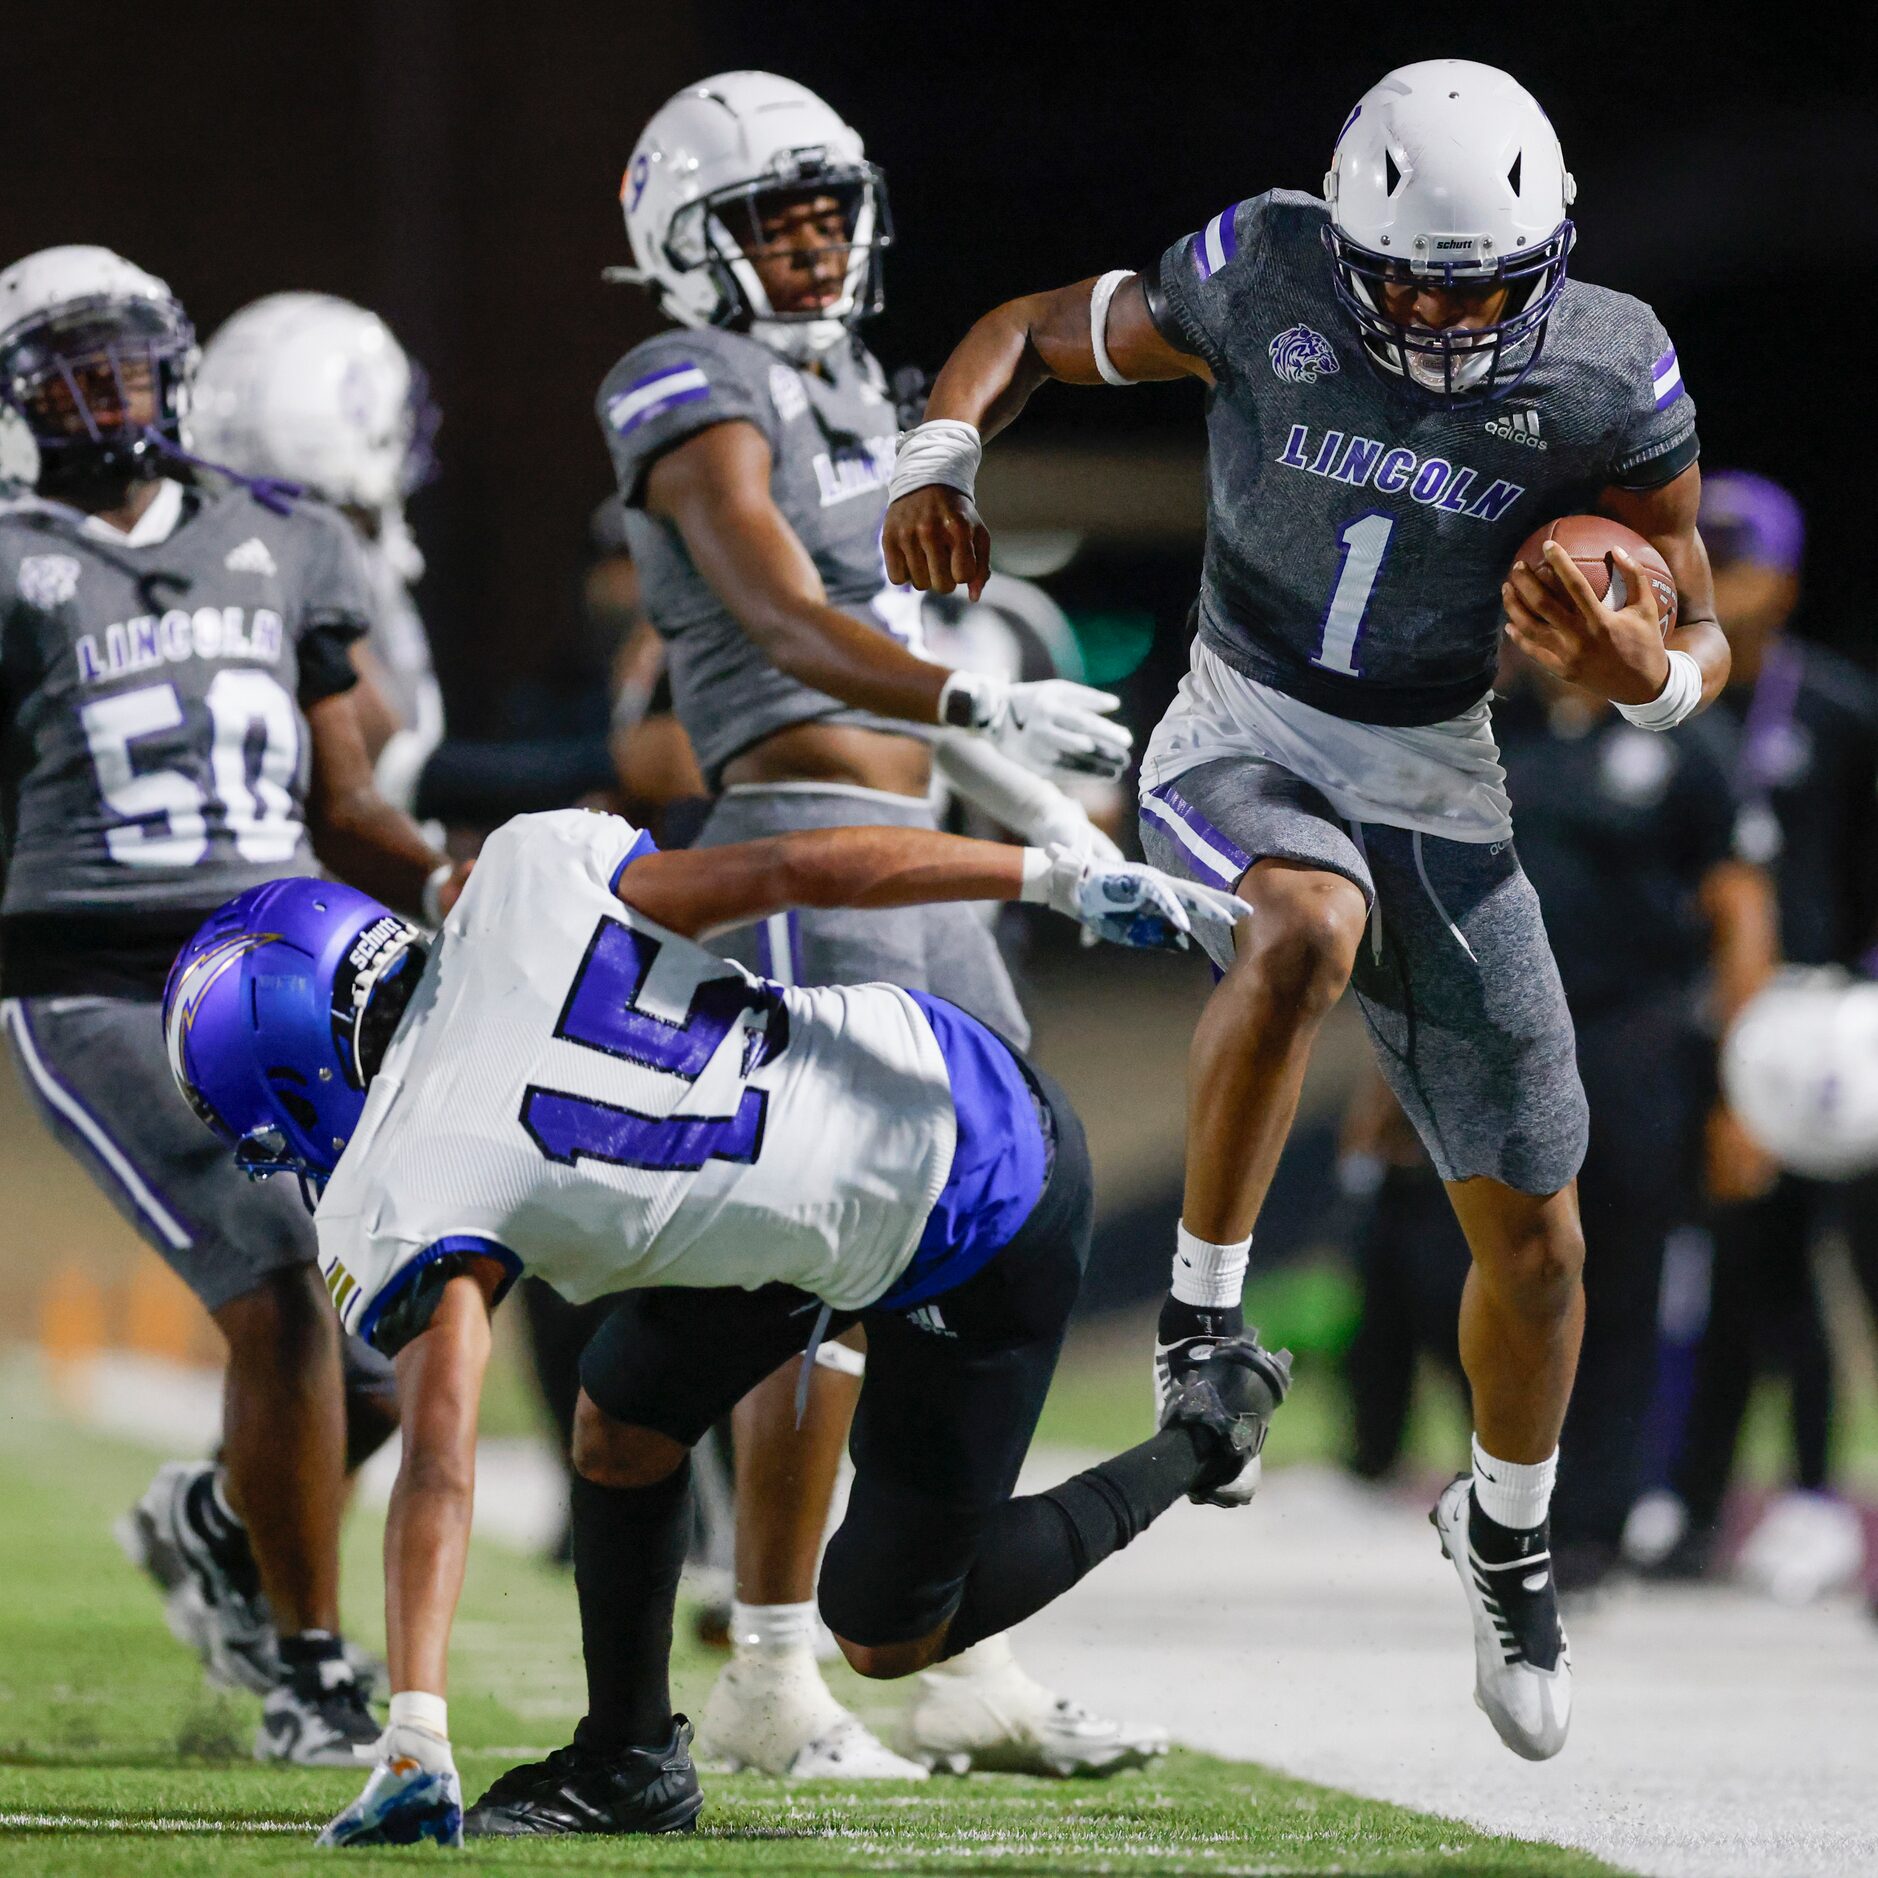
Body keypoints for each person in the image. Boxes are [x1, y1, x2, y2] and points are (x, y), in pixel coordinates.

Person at [883, 59, 1730, 1761]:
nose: (1434, 313)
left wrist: (1650, 679)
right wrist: (941, 451)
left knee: (1541, 1249)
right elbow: (1034, 326)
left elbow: (1691, 610)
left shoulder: (1603, 362)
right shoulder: (1260, 266)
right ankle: (1203, 1323)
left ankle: (1502, 1531)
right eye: (1405, 276)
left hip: (1437, 766)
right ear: (1343, 247)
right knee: (1301, 925)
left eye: (1475, 285)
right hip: (1241, 722)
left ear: (1544, 260)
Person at [162, 807, 1263, 1846]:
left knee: (888, 1632)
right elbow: (794, 867)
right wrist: (1053, 873)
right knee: (622, 1420)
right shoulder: (523, 874)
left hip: (979, 1202)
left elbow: (440, 1453)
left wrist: (416, 1727)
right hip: (912, 1063)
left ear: (296, 1084)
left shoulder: (407, 1181)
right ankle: (629, 1761)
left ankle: (1206, 1434)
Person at [602, 71, 1159, 1778]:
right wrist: (973, 708)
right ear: (687, 244)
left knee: (980, 1255)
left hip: (923, 850)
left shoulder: (868, 390)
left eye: (827, 209)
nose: (812, 241)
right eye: (772, 218)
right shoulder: (680, 382)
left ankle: (950, 1647)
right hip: (799, 846)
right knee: (819, 1271)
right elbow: (769, 611)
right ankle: (772, 1662)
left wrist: (1062, 825)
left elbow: (938, 675)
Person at [0, 246, 467, 1761]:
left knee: (389, 1330)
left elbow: (351, 788)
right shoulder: (10, 552)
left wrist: (462, 872)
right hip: (97, 970)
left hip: (281, 958)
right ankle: (310, 1667)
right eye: (71, 361)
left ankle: (216, 1522)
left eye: (128, 355)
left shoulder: (285, 537)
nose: (108, 387)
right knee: (274, 1288)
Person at [1340, 653, 1777, 1593]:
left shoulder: (1684, 738)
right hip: (1486, 1040)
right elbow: (1416, 907)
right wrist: (1390, 1076)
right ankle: (1510, 1487)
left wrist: (1743, 1091)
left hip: (1632, 1042)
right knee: (1461, 1267)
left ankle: (1587, 1527)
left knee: (1618, 1279)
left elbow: (1740, 909)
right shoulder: (1485, 734)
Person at [1642, 472, 1878, 1599]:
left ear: (1782, 582)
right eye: (1705, 567)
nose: (1720, 593)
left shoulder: (1834, 711)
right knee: (1708, 1273)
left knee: (1802, 1266)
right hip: (1679, 1021)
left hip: (1810, 1020)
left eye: (1737, 569)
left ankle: (1815, 1494)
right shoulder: (1670, 702)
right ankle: (1684, 1499)